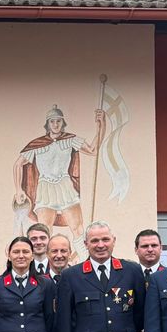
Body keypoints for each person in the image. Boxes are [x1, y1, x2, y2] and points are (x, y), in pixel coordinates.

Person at [13, 104, 106, 244]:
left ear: (63, 123)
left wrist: (102, 125)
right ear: (48, 124)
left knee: (78, 229)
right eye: (52, 121)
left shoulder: (70, 140)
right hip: (45, 188)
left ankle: (83, 261)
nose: (55, 124)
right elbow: (18, 164)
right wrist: (18, 189)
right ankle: (45, 265)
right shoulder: (38, 144)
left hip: (65, 186)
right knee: (44, 231)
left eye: (58, 121)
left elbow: (93, 150)